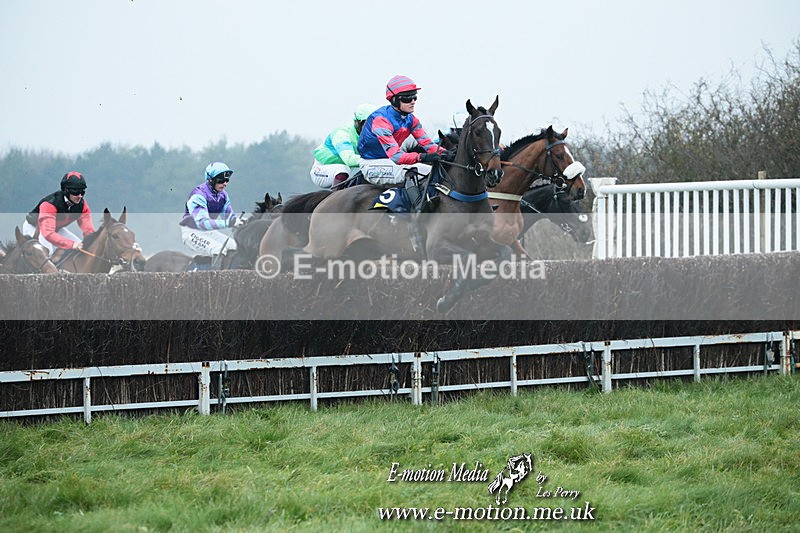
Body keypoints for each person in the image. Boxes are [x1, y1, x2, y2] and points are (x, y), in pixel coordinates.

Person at [357, 75, 450, 186]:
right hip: (372, 164)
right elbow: (397, 156)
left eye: (414, 97)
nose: (413, 101)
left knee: (433, 170)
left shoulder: (412, 120)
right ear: (394, 100)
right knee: (418, 171)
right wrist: (422, 157)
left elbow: (427, 144)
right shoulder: (381, 120)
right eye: (407, 98)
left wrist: (446, 153)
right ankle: (418, 203)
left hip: (390, 162)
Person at [23, 171, 95, 260]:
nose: (79, 196)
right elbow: (48, 234)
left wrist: (91, 244)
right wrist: (71, 244)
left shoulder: (83, 206)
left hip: (56, 228)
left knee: (82, 248)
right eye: (75, 191)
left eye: (82, 191)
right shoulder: (49, 204)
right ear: (65, 190)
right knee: (47, 254)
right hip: (35, 228)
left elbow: (89, 231)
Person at [179, 162, 243, 262]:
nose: (225, 184)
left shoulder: (223, 195)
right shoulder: (198, 195)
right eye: (221, 181)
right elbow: (203, 223)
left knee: (235, 246)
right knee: (218, 249)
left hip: (209, 232)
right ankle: (211, 277)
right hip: (192, 232)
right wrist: (230, 223)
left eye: (227, 180)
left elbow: (229, 217)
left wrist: (242, 221)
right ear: (210, 179)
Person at [310, 103, 379, 189]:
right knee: (342, 169)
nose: (371, 128)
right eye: (367, 124)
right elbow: (349, 159)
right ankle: (334, 200)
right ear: (357, 122)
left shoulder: (375, 135)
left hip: (348, 171)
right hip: (321, 171)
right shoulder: (342, 133)